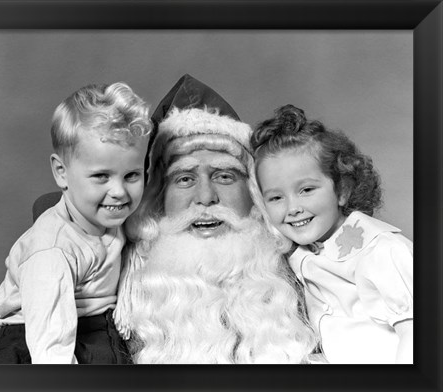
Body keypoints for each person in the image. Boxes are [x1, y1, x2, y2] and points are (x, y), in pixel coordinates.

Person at [113, 74, 317, 364]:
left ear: (253, 195)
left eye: (224, 176)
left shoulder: (307, 274)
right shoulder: (119, 285)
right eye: (184, 178)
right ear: (158, 200)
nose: (206, 197)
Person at [0, 82, 152, 364]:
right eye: (101, 176)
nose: (119, 191)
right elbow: (50, 342)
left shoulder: (110, 216)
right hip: (43, 337)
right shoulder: (51, 250)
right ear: (61, 173)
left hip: (97, 326)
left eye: (131, 175)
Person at [251, 104, 413, 364]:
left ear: (343, 190)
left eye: (306, 190)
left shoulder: (382, 250)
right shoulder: (296, 258)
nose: (293, 208)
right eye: (276, 197)